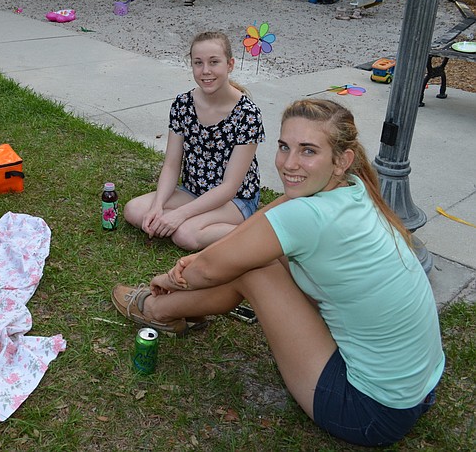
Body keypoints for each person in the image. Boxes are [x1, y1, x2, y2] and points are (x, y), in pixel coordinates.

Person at [112, 99, 444, 447]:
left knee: (254, 271)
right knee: (255, 258)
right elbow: (270, 216)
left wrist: (168, 278)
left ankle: (154, 310)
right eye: (284, 147)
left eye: (308, 151)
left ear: (341, 160)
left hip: (369, 410)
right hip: (416, 390)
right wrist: (205, 258)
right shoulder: (353, 190)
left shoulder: (309, 216)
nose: (288, 163)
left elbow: (211, 270)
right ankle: (177, 311)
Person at [123, 31, 264, 252]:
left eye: (214, 62)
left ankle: (252, 232)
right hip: (193, 191)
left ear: (230, 64)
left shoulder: (248, 114)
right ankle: (190, 222)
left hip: (234, 200)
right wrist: (158, 206)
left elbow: (229, 187)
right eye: (198, 63)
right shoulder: (182, 104)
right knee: (135, 210)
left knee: (185, 235)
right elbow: (171, 164)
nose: (205, 70)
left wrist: (179, 215)